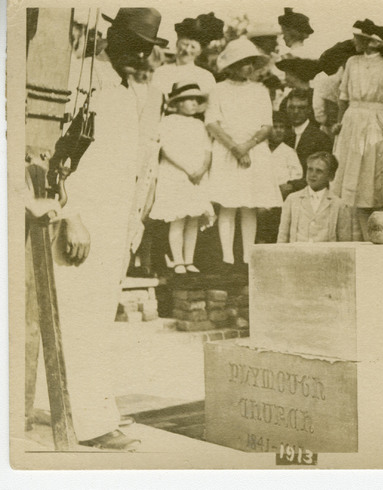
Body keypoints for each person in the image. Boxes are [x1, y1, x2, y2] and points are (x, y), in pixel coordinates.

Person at [49, 7, 168, 450]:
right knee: (79, 320)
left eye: (147, 47)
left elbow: (134, 167)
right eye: (133, 43)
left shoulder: (131, 90)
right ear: (111, 38)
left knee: (96, 321)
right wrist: (70, 213)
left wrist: (134, 223)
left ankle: (93, 408)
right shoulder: (86, 81)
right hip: (81, 223)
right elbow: (57, 155)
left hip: (116, 223)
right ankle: (92, 422)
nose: (140, 54)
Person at [331, 19, 383, 238]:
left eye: (361, 38)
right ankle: (356, 236)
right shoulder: (351, 62)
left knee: (373, 180)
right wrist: (339, 122)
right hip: (352, 124)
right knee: (351, 181)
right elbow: (343, 98)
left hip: (377, 124)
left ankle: (379, 234)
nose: (355, 41)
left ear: (375, 43)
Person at [206, 37, 278, 270]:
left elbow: (266, 126)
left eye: (251, 62)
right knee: (228, 204)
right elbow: (212, 123)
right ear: (233, 65)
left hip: (254, 150)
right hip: (227, 150)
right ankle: (227, 257)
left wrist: (246, 146)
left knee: (249, 204)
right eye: (244, 62)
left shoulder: (259, 90)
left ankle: (248, 257)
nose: (249, 67)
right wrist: (234, 148)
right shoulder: (218, 90)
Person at [148, 81, 214, 274]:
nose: (194, 103)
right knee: (177, 218)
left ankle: (188, 260)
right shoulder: (168, 122)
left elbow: (207, 150)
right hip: (176, 175)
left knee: (192, 219)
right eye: (188, 100)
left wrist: (201, 170)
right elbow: (166, 149)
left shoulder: (199, 124)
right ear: (177, 103)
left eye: (196, 100)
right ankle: (177, 260)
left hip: (197, 177)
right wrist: (186, 169)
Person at [278, 152, 356, 243]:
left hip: (326, 256)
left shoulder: (339, 205)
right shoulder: (292, 200)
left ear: (330, 176)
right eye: (310, 169)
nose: (313, 174)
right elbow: (282, 237)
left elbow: (344, 243)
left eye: (319, 171)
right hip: (297, 255)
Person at [151, 13, 223, 108]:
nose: (187, 50)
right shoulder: (161, 72)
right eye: (184, 44)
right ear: (177, 44)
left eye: (193, 47)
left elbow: (211, 107)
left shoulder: (206, 77)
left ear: (199, 51)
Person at [258, 111, 303, 244]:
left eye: (281, 127)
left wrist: (287, 187)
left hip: (280, 196)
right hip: (261, 194)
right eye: (274, 127)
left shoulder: (288, 152)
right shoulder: (260, 150)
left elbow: (297, 177)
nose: (278, 131)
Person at [283, 89, 332, 193]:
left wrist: (292, 186)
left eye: (301, 108)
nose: (296, 111)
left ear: (309, 110)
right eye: (292, 107)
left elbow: (322, 175)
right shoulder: (283, 135)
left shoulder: (320, 138)